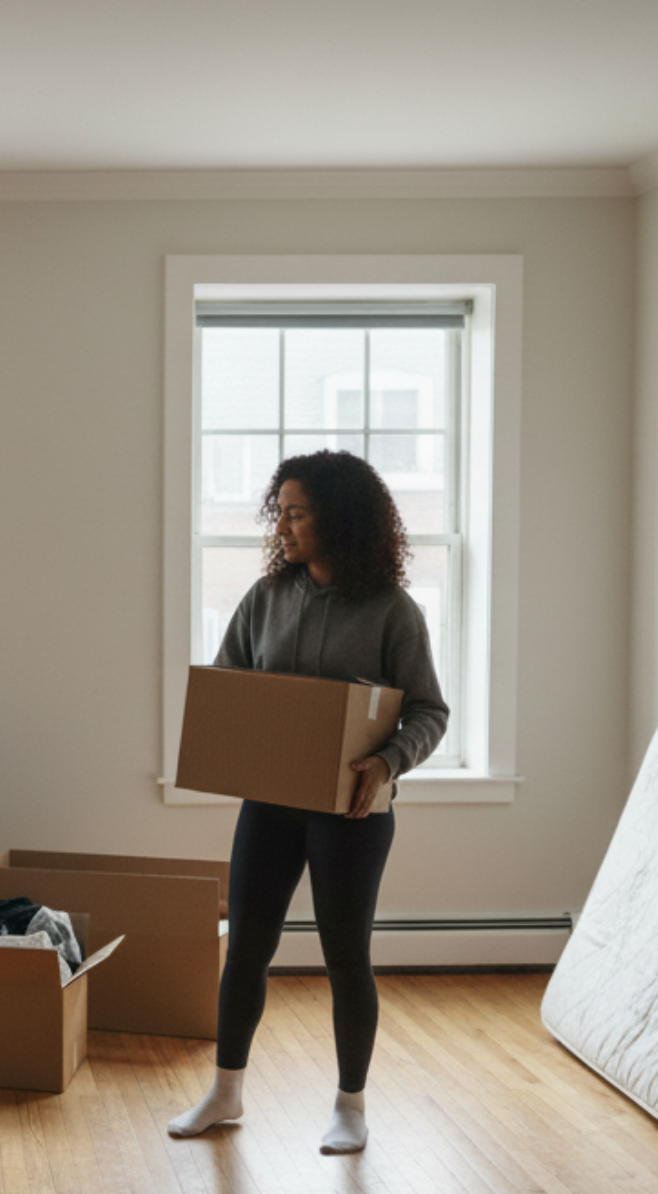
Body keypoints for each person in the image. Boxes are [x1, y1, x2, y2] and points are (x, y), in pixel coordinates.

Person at [168, 449, 448, 1155]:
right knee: (247, 952)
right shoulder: (266, 597)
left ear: (340, 520)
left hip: (353, 813)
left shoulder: (392, 610)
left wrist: (386, 762)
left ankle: (350, 1105)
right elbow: (232, 686)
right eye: (281, 511)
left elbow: (429, 712)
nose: (283, 525)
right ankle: (226, 1092)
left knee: (346, 958)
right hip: (270, 805)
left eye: (298, 512)